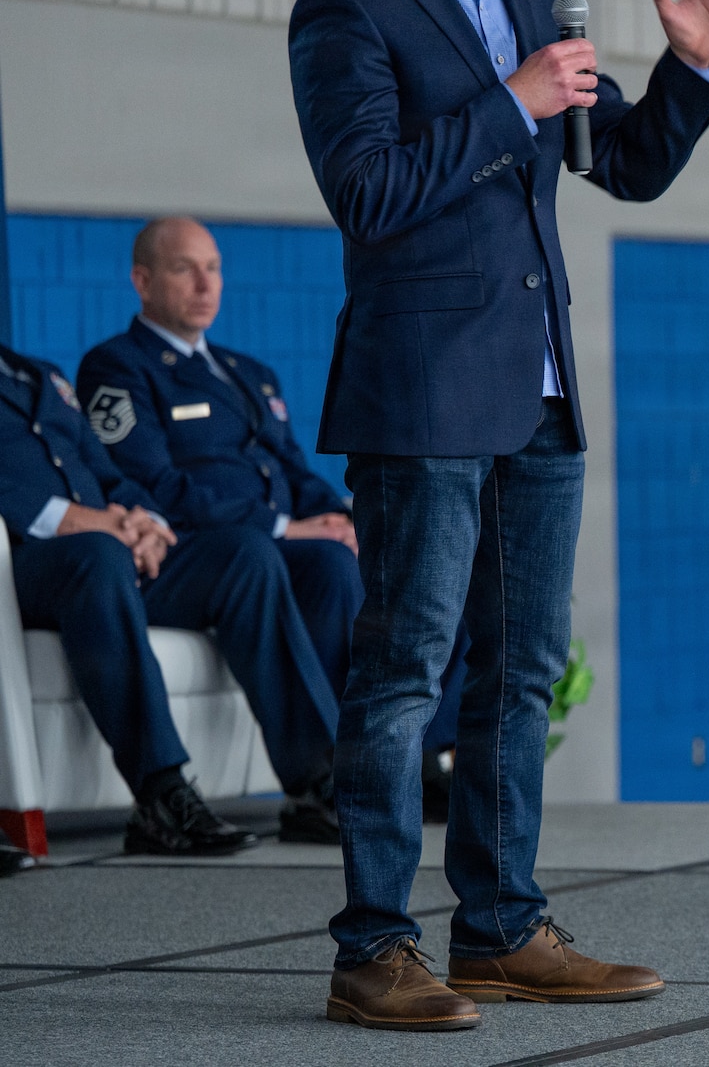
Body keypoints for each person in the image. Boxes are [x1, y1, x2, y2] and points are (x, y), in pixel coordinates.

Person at [288, 0, 709, 1032]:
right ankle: (372, 945)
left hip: (538, 392)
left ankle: (497, 928)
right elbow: (369, 193)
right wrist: (511, 99)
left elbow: (621, 167)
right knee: (402, 672)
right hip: (424, 393)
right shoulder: (346, 8)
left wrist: (689, 71)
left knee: (522, 668)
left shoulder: (540, 3)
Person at [76, 217, 469, 819]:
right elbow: (153, 485)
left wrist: (348, 517)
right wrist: (284, 528)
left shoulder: (246, 372)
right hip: (190, 550)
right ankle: (321, 777)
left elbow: (293, 471)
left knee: (383, 557)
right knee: (278, 558)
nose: (205, 284)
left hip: (268, 546)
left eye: (214, 268)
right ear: (143, 280)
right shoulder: (118, 368)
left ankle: (414, 758)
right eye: (185, 268)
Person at [0, 340, 341, 853]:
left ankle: (317, 779)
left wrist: (147, 524)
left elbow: (110, 473)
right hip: (30, 562)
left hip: (111, 552)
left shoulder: (39, 373)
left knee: (245, 556)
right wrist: (85, 523)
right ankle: (160, 794)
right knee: (99, 555)